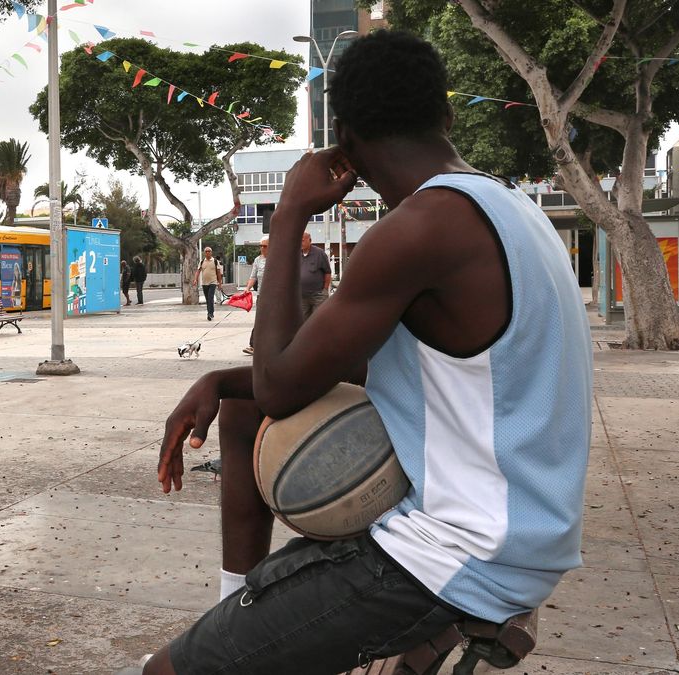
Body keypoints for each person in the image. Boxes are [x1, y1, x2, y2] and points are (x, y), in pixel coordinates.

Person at [142, 30, 591, 675]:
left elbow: (280, 384)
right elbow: (331, 368)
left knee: (165, 673)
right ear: (448, 113)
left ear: (344, 138)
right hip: (525, 537)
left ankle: (236, 643)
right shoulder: (508, 207)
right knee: (241, 414)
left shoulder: (420, 227)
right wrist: (220, 379)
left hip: (457, 557)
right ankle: (238, 617)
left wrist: (288, 215)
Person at [242, 237, 269, 355]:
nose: (262, 248)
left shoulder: (278, 259)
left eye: (265, 246)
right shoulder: (258, 260)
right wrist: (247, 288)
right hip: (262, 295)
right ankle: (253, 345)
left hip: (276, 296)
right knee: (260, 320)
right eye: (261, 246)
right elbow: (253, 277)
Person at [298, 232, 331, 319]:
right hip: (302, 296)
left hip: (318, 295)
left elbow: (327, 272)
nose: (300, 243)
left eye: (302, 241)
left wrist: (325, 289)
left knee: (317, 320)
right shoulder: (297, 254)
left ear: (310, 240)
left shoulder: (319, 253)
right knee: (303, 321)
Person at [195, 247, 223, 320]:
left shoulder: (215, 261)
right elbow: (198, 271)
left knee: (210, 298)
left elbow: (218, 272)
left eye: (209, 251)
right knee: (208, 299)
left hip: (213, 282)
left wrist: (219, 283)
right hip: (204, 283)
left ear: (211, 252)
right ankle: (210, 312)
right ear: (204, 253)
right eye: (206, 251)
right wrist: (195, 279)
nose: (207, 252)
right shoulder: (201, 262)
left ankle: (210, 314)